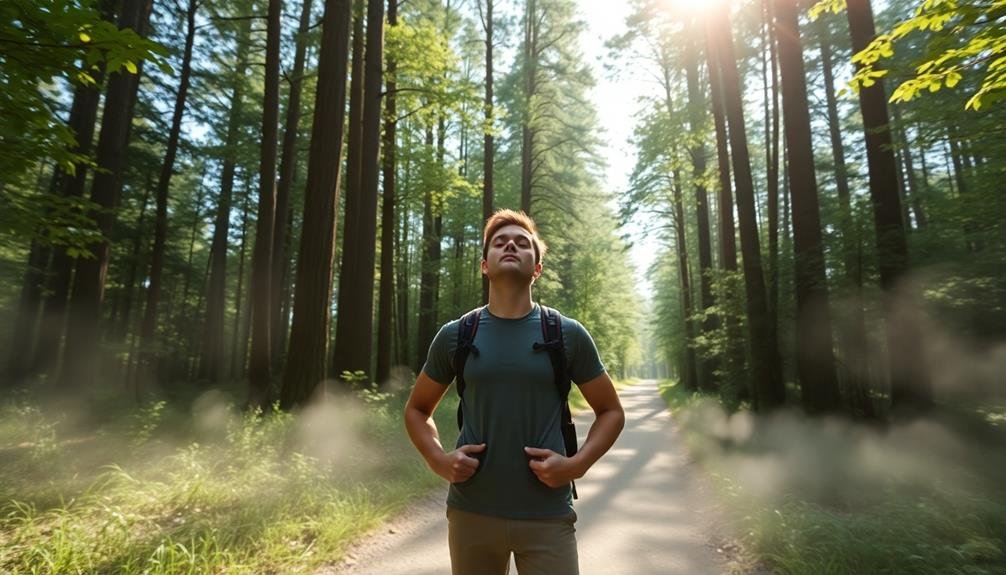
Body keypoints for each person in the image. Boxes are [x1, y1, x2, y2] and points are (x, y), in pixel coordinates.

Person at [404, 209, 625, 575]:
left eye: (523, 243)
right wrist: (437, 459)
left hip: (547, 517)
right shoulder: (457, 335)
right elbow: (416, 409)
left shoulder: (566, 334)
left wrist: (577, 464)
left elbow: (611, 411)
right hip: (471, 513)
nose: (511, 244)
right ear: (485, 265)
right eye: (500, 241)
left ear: (536, 268)